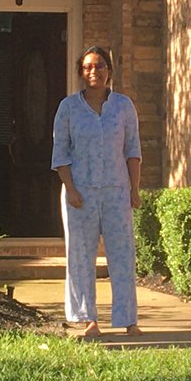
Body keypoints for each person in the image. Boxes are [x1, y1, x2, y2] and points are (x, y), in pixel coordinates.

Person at [52, 46, 143, 338]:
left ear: (109, 71)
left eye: (100, 66)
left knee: (122, 254)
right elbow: (60, 154)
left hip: (117, 191)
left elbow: (132, 150)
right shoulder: (68, 108)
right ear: (81, 72)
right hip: (80, 193)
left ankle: (129, 320)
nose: (95, 72)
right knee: (80, 256)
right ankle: (88, 319)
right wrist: (71, 189)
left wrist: (134, 190)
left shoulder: (123, 106)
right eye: (89, 67)